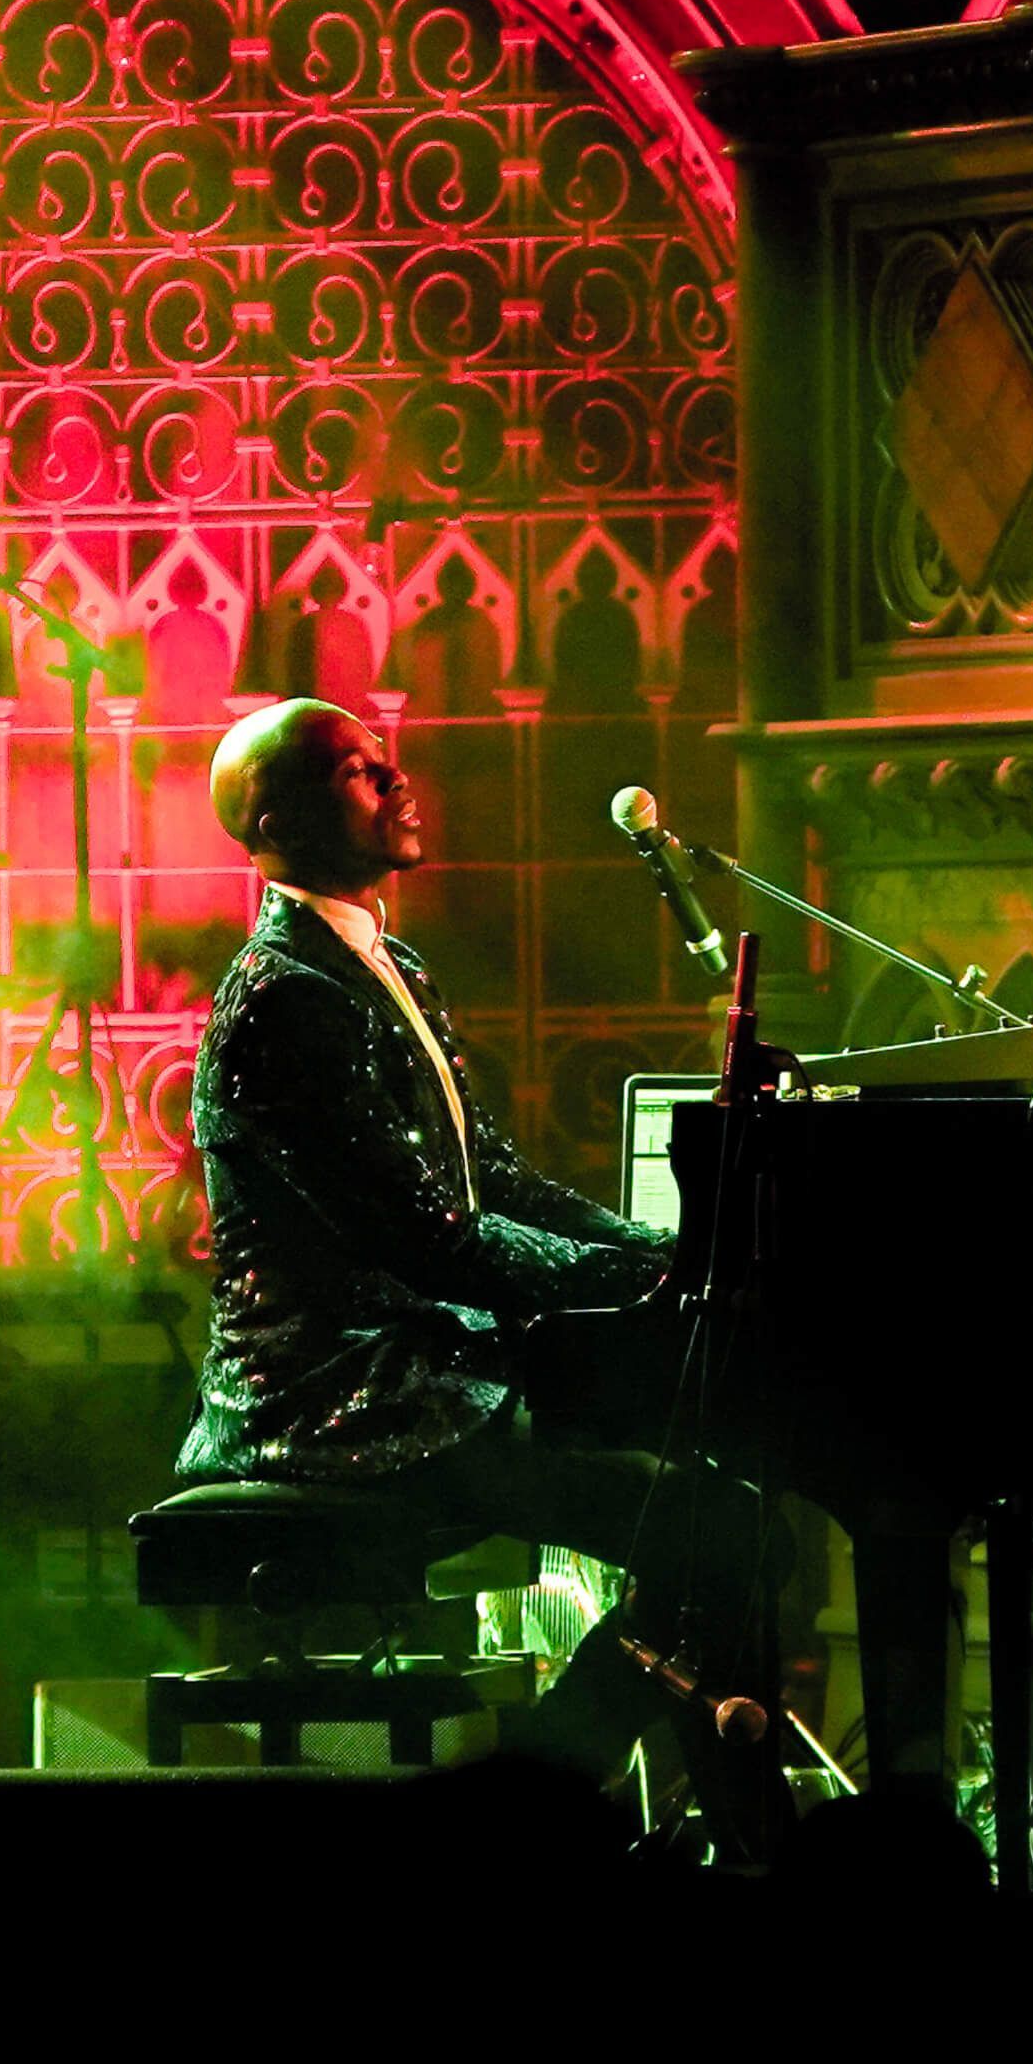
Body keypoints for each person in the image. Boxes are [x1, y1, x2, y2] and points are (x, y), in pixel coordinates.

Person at [183, 694, 785, 1829]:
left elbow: (491, 1180)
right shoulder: (284, 999)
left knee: (728, 1518)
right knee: (721, 1533)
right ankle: (541, 1813)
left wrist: (669, 1248)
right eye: (359, 768)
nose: (397, 774)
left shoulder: (379, 960)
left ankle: (703, 1828)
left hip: (421, 1352)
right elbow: (431, 1238)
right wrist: (644, 1284)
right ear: (276, 817)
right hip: (333, 1387)